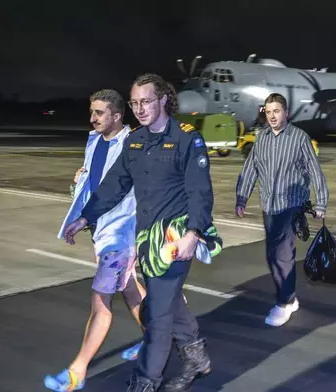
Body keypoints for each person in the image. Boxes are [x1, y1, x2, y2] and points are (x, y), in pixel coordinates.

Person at [63, 74, 220, 392]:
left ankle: (145, 382)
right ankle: (197, 358)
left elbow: (200, 191)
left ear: (163, 100)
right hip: (146, 241)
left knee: (158, 316)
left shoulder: (188, 139)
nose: (139, 108)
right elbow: (114, 185)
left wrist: (193, 232)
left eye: (145, 101)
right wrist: (84, 217)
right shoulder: (136, 142)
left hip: (175, 240)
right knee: (169, 304)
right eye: (134, 103)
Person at [45, 89, 146, 392]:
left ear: (117, 115)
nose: (93, 118)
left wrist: (145, 237)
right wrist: (77, 193)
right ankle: (157, 339)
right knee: (129, 289)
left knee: (101, 300)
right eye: (92, 111)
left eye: (100, 112)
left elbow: (149, 188)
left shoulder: (134, 144)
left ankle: (78, 370)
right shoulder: (93, 142)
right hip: (101, 230)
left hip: (123, 233)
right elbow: (92, 184)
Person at [236, 93, 328, 327]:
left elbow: (315, 171)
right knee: (272, 254)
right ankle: (289, 297)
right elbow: (250, 169)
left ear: (285, 112)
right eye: (268, 112)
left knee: (282, 254)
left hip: (291, 205)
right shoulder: (262, 139)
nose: (272, 116)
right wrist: (241, 198)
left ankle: (284, 302)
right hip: (269, 205)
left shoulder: (299, 138)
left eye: (276, 111)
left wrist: (321, 203)